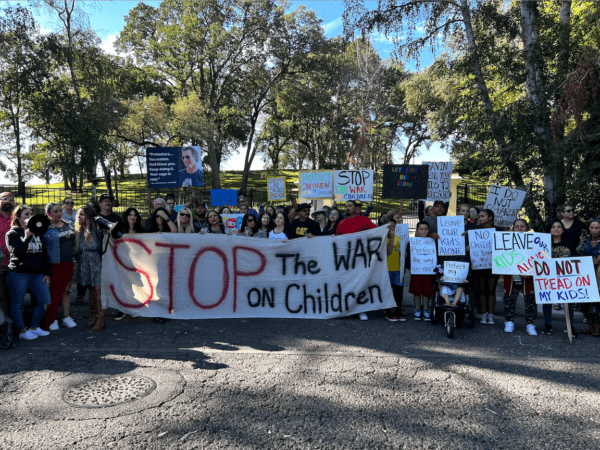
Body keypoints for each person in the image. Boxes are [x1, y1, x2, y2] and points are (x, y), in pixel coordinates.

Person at [5, 205, 52, 340]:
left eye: (31, 214)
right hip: (19, 273)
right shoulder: (12, 234)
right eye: (26, 214)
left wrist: (47, 273)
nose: (29, 217)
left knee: (45, 300)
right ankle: (22, 331)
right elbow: (17, 253)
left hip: (37, 274)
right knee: (17, 303)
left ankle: (34, 327)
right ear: (18, 218)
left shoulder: (39, 232)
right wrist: (26, 238)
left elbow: (44, 255)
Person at [43, 202, 77, 331]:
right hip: (56, 265)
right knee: (54, 293)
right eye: (55, 211)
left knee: (67, 291)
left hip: (69, 263)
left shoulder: (67, 224)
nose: (59, 213)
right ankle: (52, 319)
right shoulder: (46, 228)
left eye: (59, 211)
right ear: (48, 214)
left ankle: (66, 317)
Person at [541, 219, 577, 336]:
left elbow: (576, 259)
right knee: (547, 300)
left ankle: (570, 325)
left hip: (566, 279)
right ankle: (547, 324)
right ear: (549, 229)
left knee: (569, 302)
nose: (556, 229)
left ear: (562, 230)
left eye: (559, 227)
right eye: (553, 227)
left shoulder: (569, 244)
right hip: (548, 278)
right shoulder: (542, 244)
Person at [503, 219, 538, 336]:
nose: (519, 229)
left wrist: (530, 272)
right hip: (511, 277)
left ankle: (530, 324)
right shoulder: (506, 241)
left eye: (522, 226)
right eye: (516, 226)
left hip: (528, 277)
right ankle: (509, 321)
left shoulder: (534, 242)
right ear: (513, 229)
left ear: (527, 229)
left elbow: (539, 258)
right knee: (509, 299)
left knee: (530, 300)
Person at [75, 206, 106, 332]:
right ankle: (93, 314)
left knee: (98, 291)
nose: (79, 217)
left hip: (97, 264)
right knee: (91, 291)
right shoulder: (77, 232)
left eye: (82, 214)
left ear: (88, 216)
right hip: (84, 264)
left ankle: (101, 319)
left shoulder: (97, 231)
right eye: (78, 214)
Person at [473, 209, 503, 325]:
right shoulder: (476, 231)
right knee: (482, 290)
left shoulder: (498, 231)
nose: (480, 218)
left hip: (493, 265)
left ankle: (491, 314)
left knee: (491, 290)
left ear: (490, 218)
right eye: (479, 216)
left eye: (483, 216)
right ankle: (484, 313)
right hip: (480, 265)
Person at [408, 221, 435, 321]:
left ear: (429, 231)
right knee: (417, 291)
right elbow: (408, 257)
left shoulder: (433, 242)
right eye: (421, 229)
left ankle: (426, 310)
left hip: (428, 272)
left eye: (426, 229)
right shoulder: (412, 242)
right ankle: (417, 309)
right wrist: (409, 267)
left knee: (427, 292)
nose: (423, 231)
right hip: (416, 271)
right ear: (417, 231)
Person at [577, 219, 600, 336]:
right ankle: (590, 327)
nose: (594, 230)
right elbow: (577, 252)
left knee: (596, 303)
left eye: (597, 228)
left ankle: (597, 328)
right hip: (585, 274)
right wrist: (581, 245)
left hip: (598, 276)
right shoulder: (586, 240)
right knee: (585, 302)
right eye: (592, 227)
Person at [384, 217, 407, 322]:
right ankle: (388, 311)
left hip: (397, 269)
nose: (392, 229)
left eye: (394, 227)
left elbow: (400, 252)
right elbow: (388, 251)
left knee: (398, 290)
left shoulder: (398, 237)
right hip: (387, 269)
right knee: (388, 290)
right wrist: (392, 238)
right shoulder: (384, 238)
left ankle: (398, 309)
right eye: (389, 227)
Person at [0, 192, 15, 323]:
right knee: (1, 295)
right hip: (0, 263)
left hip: (15, 263)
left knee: (14, 294)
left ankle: (16, 321)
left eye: (10, 200)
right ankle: (5, 322)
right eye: (4, 199)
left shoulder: (17, 218)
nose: (7, 202)